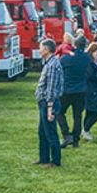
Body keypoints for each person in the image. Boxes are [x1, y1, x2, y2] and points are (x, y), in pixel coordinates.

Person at [58, 35, 90, 148]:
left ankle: (66, 134)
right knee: (78, 115)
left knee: (59, 112)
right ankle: (75, 140)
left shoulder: (66, 58)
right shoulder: (87, 58)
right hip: (81, 90)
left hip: (67, 90)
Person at [34, 39, 63, 167]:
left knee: (51, 132)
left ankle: (55, 161)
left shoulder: (52, 65)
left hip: (48, 103)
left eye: (41, 48)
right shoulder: (49, 63)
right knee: (42, 132)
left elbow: (51, 88)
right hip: (44, 103)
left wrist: (50, 107)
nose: (39, 50)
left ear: (46, 50)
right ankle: (44, 158)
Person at [82, 42, 97, 140]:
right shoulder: (89, 63)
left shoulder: (95, 63)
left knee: (90, 111)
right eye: (96, 52)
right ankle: (86, 129)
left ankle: (85, 129)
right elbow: (91, 76)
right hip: (93, 90)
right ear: (91, 52)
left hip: (96, 89)